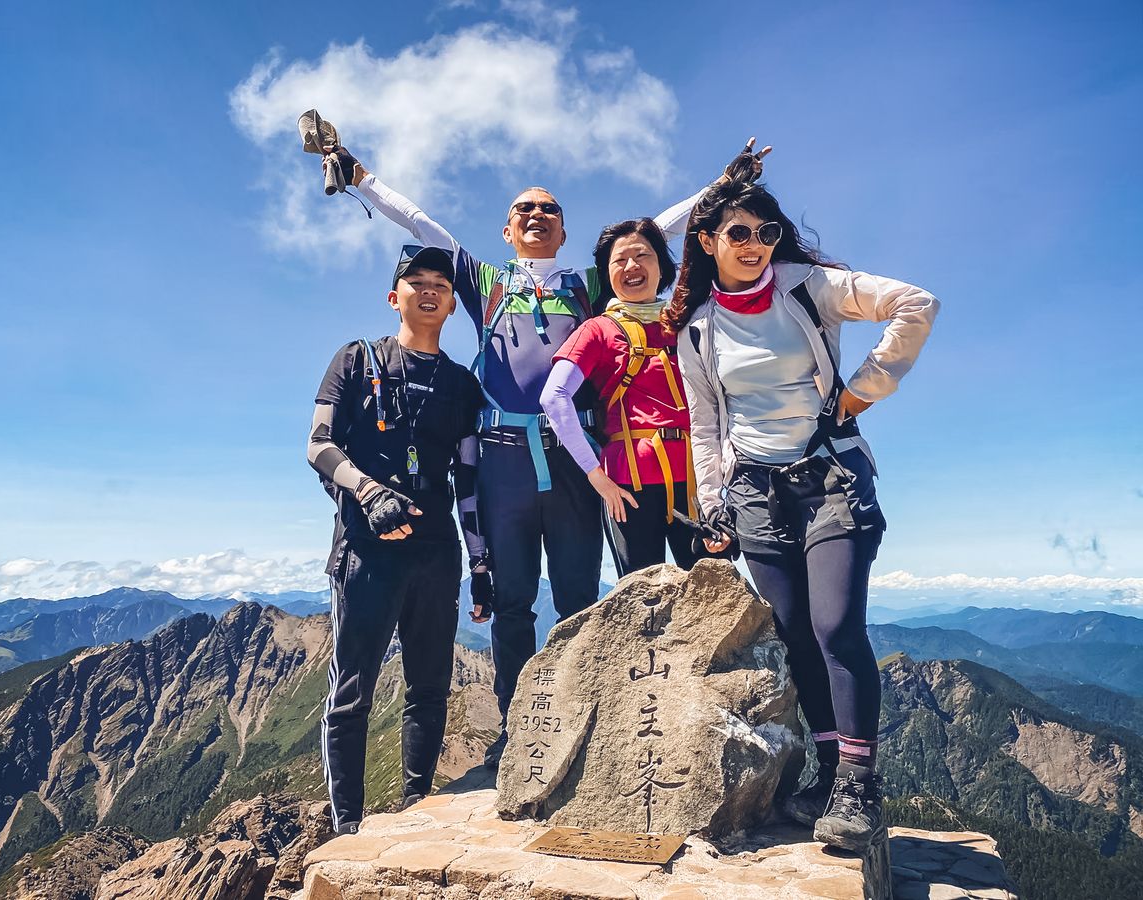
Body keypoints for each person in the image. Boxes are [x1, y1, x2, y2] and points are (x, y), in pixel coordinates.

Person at [321, 142, 769, 767]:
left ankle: (581, 720)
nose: (535, 215)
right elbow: (423, 224)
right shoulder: (486, 283)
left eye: (548, 209)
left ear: (563, 229)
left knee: (579, 594)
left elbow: (654, 233)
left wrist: (721, 187)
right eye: (522, 209)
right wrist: (363, 180)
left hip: (573, 457)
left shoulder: (590, 285)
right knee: (511, 603)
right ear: (507, 230)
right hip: (503, 457)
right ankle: (518, 729)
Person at [666, 178, 938, 851]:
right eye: (739, 234)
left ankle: (857, 786)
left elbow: (916, 303)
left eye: (766, 233)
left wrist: (862, 391)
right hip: (754, 493)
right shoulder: (697, 330)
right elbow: (704, 426)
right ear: (707, 242)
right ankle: (825, 775)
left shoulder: (808, 288)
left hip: (830, 476)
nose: (756, 245)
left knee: (835, 626)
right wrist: (711, 505)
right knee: (793, 634)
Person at [308, 245, 491, 833]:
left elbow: (467, 478)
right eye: (417, 281)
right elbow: (318, 446)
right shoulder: (356, 360)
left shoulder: (462, 385)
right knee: (352, 692)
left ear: (453, 304)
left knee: (430, 687)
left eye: (442, 282)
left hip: (438, 555)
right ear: (396, 297)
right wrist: (369, 492)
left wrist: (481, 563)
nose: (430, 289)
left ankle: (415, 813)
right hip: (364, 550)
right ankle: (347, 831)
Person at [539, 217, 703, 576]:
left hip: (696, 476)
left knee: (714, 595)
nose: (632, 266)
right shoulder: (598, 329)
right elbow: (554, 397)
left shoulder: (690, 322)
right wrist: (596, 476)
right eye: (619, 260)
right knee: (644, 605)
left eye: (643, 255)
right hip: (628, 484)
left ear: (663, 266)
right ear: (607, 273)